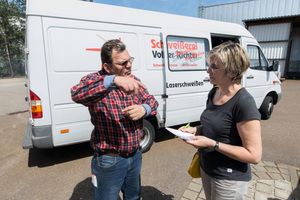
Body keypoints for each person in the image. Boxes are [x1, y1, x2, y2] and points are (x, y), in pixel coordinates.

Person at [71, 39, 159, 200]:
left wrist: (143, 109)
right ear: (107, 66)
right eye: (122, 63)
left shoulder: (133, 79)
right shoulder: (95, 80)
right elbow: (76, 94)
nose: (129, 65)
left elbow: (153, 101)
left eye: (130, 60)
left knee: (133, 197)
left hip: (135, 154)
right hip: (109, 159)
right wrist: (113, 81)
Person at [179, 41, 262, 200]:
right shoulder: (214, 92)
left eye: (215, 67)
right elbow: (213, 126)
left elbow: (254, 155)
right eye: (209, 65)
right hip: (207, 168)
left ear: (233, 71)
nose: (208, 70)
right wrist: (195, 130)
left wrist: (212, 144)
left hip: (229, 179)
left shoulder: (244, 103)